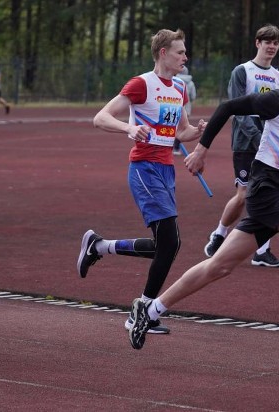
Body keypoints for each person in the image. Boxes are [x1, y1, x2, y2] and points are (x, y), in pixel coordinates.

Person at [127, 38, 279, 356]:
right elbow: (228, 108)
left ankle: (150, 309)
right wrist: (201, 150)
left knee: (218, 266)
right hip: (267, 192)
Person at [77, 28, 206, 334]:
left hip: (166, 170)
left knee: (164, 246)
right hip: (144, 169)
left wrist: (198, 131)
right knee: (171, 242)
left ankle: (100, 246)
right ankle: (144, 312)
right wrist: (129, 129)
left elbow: (181, 131)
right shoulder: (141, 84)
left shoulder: (179, 89)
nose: (185, 57)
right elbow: (100, 118)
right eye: (180, 52)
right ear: (163, 53)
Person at [204, 24, 279, 268]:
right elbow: (237, 110)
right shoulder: (242, 71)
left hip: (269, 143)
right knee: (243, 195)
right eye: (267, 42)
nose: (272, 47)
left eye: (276, 43)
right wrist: (258, 138)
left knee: (269, 194)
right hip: (245, 143)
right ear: (257, 43)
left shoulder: (278, 76)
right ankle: (220, 233)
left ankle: (262, 251)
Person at [172, 66, 197, 155]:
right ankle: (176, 147)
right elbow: (193, 96)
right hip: (186, 107)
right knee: (181, 128)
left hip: (174, 105)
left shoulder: (173, 80)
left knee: (172, 125)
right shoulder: (190, 83)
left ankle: (168, 145)